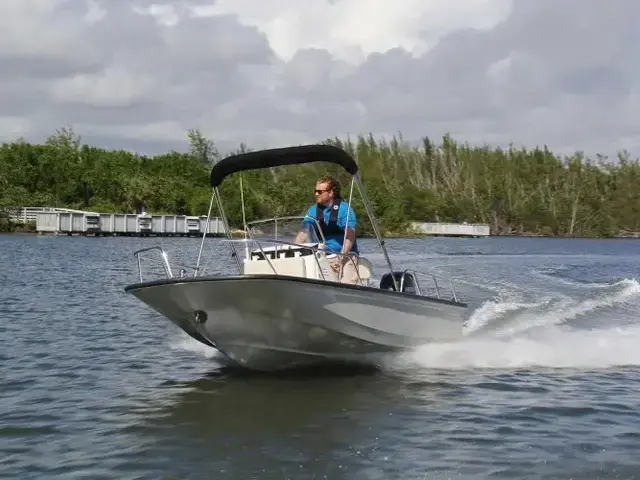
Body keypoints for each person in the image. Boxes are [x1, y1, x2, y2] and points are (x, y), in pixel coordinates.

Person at [295, 175, 360, 284]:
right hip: (321, 255)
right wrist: (294, 250)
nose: (316, 194)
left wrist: (341, 257)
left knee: (347, 284)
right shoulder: (313, 210)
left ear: (331, 193)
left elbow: (350, 235)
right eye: (315, 191)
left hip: (345, 255)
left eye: (320, 192)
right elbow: (304, 233)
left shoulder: (344, 209)